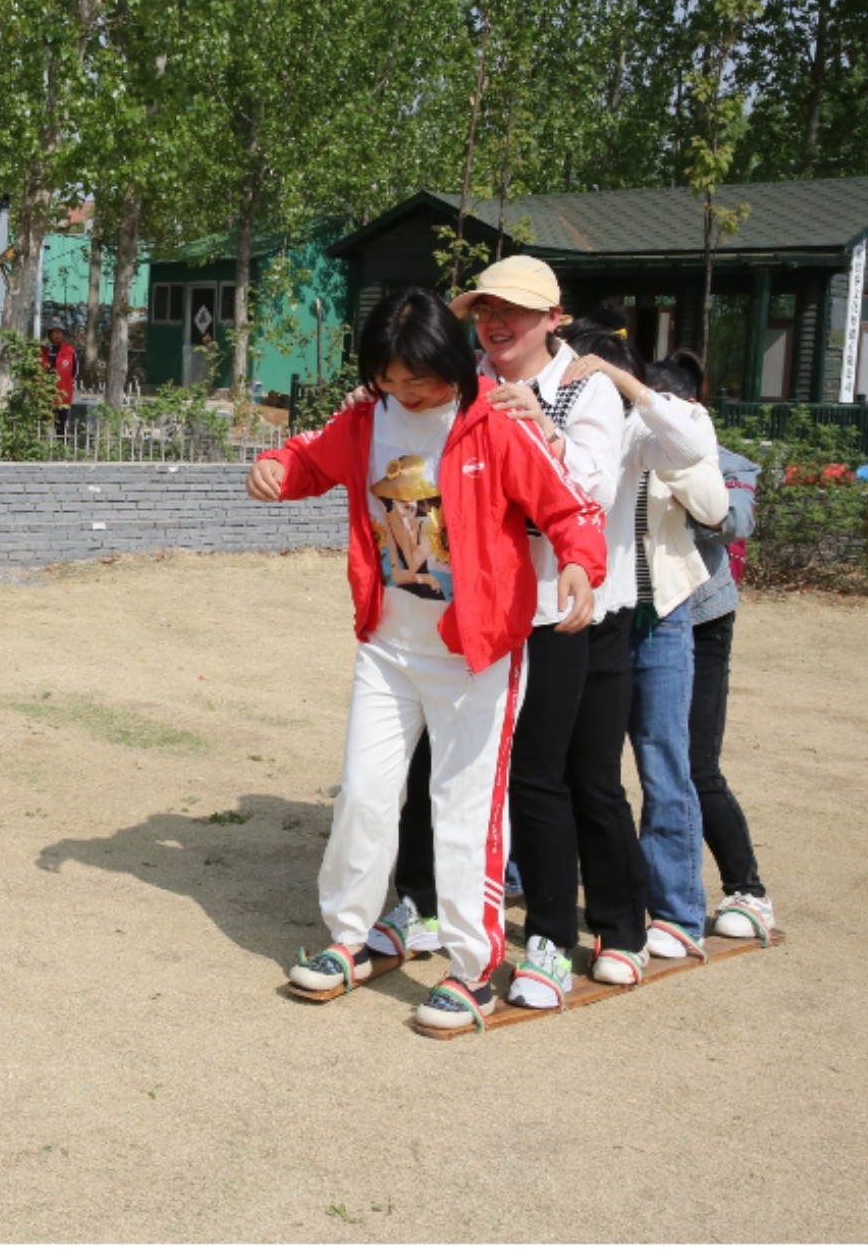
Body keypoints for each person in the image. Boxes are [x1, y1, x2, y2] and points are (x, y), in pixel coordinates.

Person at [250, 286, 605, 1038]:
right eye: (393, 380)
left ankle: (473, 968)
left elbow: (571, 507)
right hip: (388, 645)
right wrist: (274, 465)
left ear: (451, 362)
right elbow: (307, 459)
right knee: (368, 795)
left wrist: (581, 564)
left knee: (466, 811)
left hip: (476, 656)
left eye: (422, 379)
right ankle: (348, 935)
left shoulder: (498, 421)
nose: (408, 394)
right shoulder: (364, 416)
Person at [554, 323, 725, 965]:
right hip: (587, 614)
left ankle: (677, 912)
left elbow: (707, 485)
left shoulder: (641, 431)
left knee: (661, 757)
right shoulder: (568, 428)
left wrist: (628, 386)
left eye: (591, 376)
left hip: (658, 614)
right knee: (578, 768)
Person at [661, 353, 777, 942]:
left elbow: (734, 522)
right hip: (642, 623)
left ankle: (747, 890)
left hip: (703, 623)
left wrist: (681, 480)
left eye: (666, 407)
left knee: (695, 762)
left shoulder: (728, 464)